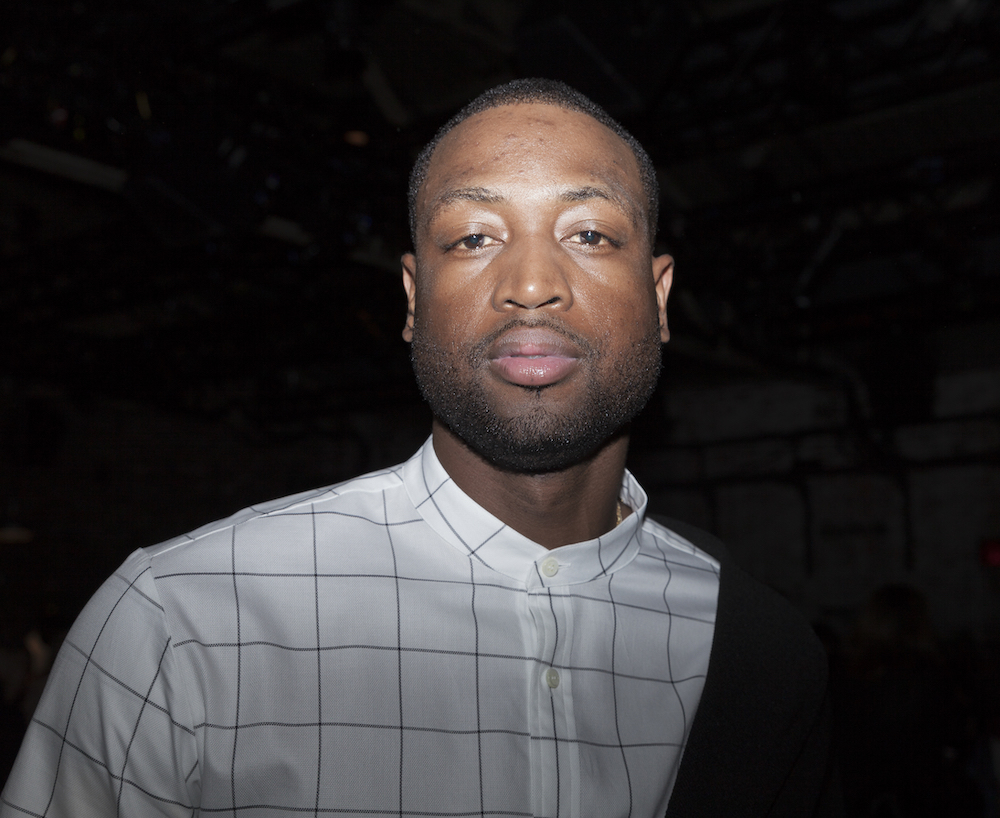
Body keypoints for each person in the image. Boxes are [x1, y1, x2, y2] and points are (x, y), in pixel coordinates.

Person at [1, 78, 841, 817]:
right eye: (474, 237)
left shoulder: (760, 652)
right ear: (412, 297)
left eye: (588, 234)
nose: (531, 283)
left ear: (659, 298)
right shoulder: (179, 619)